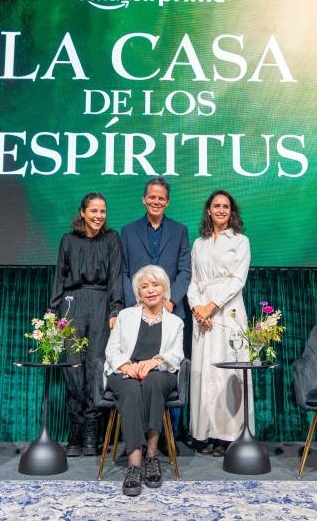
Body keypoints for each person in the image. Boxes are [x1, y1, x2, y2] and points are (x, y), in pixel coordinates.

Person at [51, 192, 123, 457]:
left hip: (101, 303)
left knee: (95, 367)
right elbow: (59, 276)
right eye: (93, 211)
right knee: (73, 367)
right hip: (72, 303)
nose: (98, 216)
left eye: (102, 211)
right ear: (82, 212)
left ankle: (93, 431)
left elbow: (116, 275)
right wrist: (54, 314)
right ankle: (75, 431)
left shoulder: (112, 239)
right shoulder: (68, 240)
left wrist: (116, 308)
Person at [104, 265, 184, 496]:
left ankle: (152, 455)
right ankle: (135, 463)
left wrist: (153, 363)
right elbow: (111, 350)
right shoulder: (124, 317)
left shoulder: (175, 323)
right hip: (124, 372)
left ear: (164, 289)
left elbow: (176, 355)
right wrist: (126, 366)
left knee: (153, 382)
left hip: (159, 372)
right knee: (130, 390)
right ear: (138, 293)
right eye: (144, 287)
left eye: (155, 285)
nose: (150, 290)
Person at [120, 177, 191, 436]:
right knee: (137, 372)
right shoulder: (127, 232)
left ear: (168, 201)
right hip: (138, 314)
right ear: (144, 199)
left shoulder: (180, 230)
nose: (156, 201)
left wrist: (170, 301)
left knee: (167, 371)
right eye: (152, 197)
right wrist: (135, 306)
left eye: (161, 198)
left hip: (171, 312)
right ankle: (138, 433)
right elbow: (125, 272)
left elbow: (185, 272)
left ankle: (169, 435)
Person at [187, 190, 253, 456]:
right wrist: (197, 309)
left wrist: (212, 307)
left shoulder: (240, 241)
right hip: (202, 315)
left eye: (226, 206)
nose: (221, 210)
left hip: (228, 311)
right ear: (208, 210)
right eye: (216, 205)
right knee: (204, 372)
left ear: (231, 211)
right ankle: (204, 433)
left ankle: (228, 436)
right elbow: (193, 281)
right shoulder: (198, 244)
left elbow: (238, 280)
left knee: (228, 372)